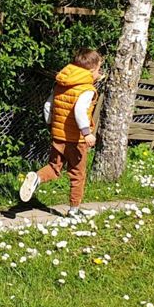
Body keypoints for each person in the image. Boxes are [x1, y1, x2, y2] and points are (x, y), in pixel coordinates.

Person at [19, 48, 102, 215]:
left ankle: (37, 178)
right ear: (92, 70)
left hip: (58, 136)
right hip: (76, 139)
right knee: (77, 174)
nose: (99, 73)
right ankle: (74, 211)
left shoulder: (61, 84)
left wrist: (51, 124)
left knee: (54, 167)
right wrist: (86, 133)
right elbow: (79, 110)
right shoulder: (86, 89)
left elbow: (47, 106)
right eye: (98, 69)